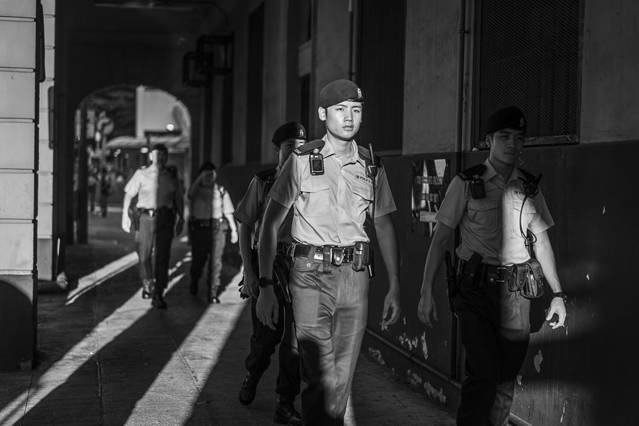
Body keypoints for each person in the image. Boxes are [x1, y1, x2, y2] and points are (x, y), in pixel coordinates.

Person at [257, 79, 401, 425]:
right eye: (340, 109)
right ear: (323, 114)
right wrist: (264, 286)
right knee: (319, 376)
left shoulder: (371, 165)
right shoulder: (301, 161)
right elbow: (269, 225)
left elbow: (383, 226)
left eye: (356, 110)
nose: (349, 117)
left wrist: (395, 285)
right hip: (309, 276)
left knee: (341, 380)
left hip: (354, 278)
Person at [417, 106, 568, 426]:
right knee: (483, 373)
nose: (512, 144)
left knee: (505, 378)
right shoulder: (466, 182)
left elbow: (542, 242)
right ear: (489, 141)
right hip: (475, 290)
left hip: (516, 292)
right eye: (504, 137)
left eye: (518, 138)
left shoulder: (529, 187)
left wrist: (558, 294)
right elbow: (441, 238)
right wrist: (425, 291)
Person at [234, 122, 307, 425]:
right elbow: (245, 225)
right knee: (266, 336)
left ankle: (285, 402)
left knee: (295, 340)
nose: (296, 152)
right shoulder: (264, 182)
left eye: (301, 146)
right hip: (270, 264)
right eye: (290, 146)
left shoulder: (311, 179)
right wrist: (250, 274)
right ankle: (253, 372)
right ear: (278, 149)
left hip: (302, 266)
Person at [121, 144, 185, 309]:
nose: (160, 158)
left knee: (163, 256)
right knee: (144, 255)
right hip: (146, 219)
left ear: (166, 157)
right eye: (157, 155)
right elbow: (129, 194)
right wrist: (125, 216)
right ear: (150, 157)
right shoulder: (141, 174)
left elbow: (178, 198)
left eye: (163, 155)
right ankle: (147, 282)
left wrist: (181, 218)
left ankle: (158, 293)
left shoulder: (172, 176)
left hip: (166, 218)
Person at [187, 161, 238, 303]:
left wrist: (234, 230)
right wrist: (200, 178)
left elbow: (228, 211)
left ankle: (213, 292)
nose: (209, 176)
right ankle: (194, 280)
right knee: (199, 260)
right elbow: (189, 195)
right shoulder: (196, 190)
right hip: (200, 229)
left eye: (211, 173)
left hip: (217, 229)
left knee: (216, 262)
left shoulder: (221, 190)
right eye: (206, 173)